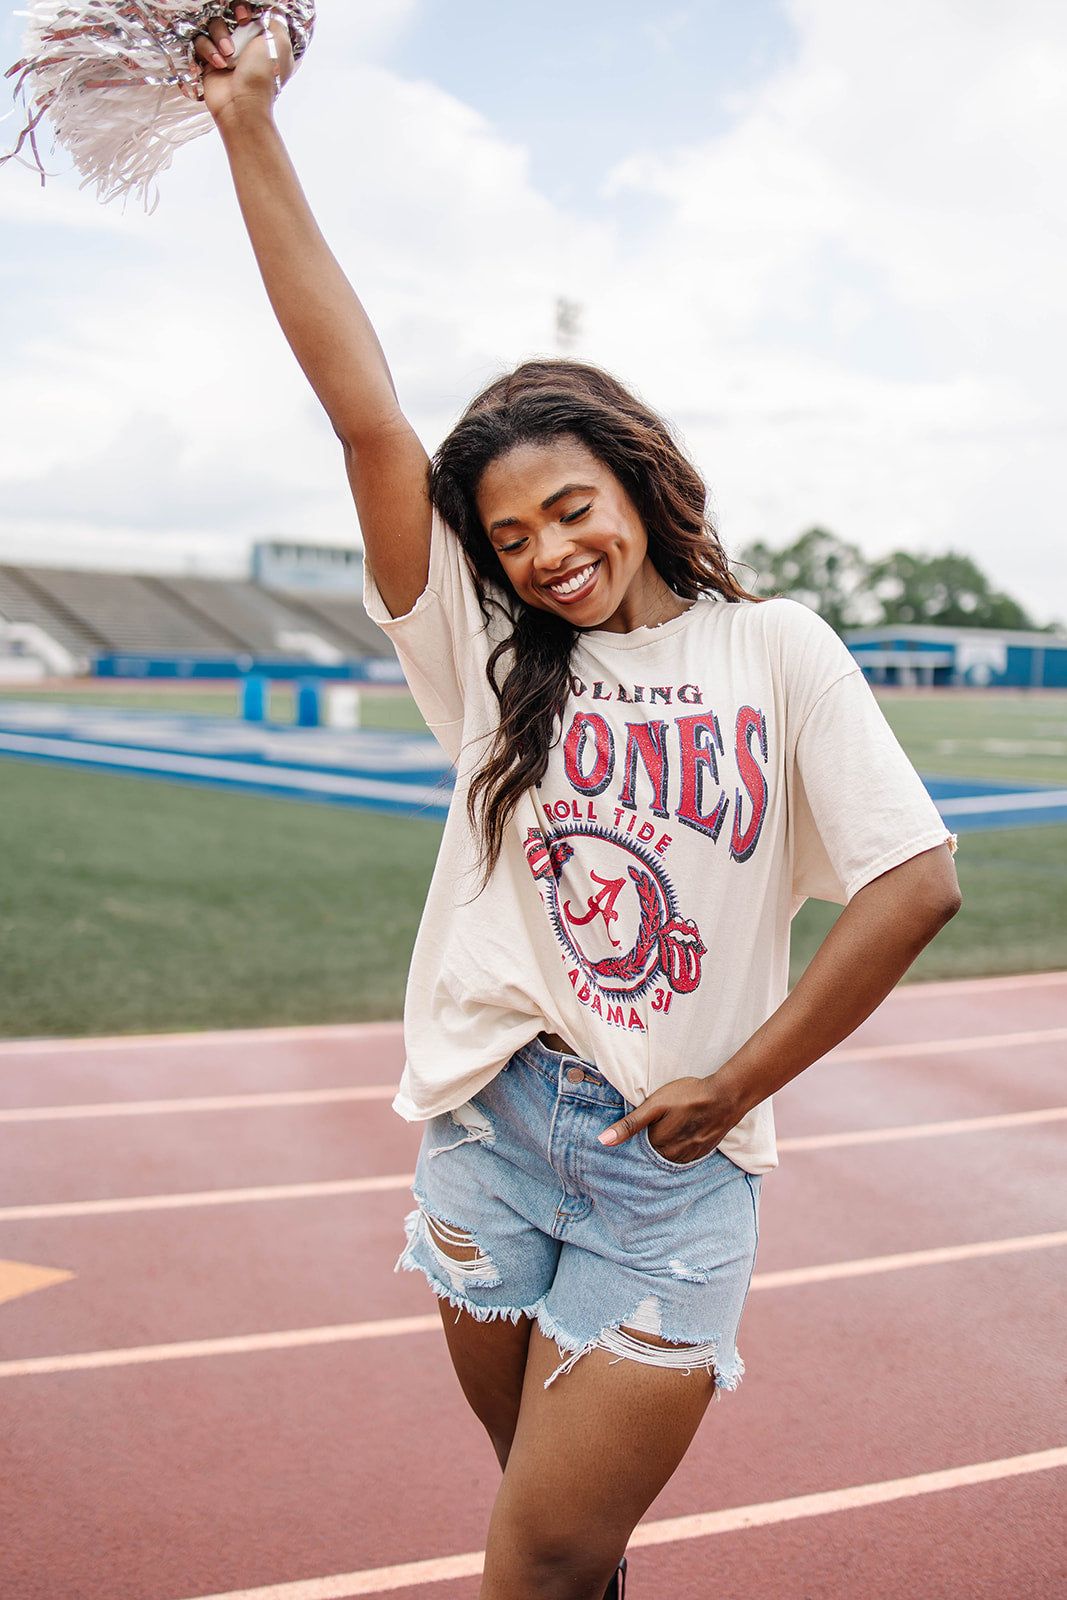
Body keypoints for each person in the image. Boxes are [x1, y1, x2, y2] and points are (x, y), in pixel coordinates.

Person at [198, 12, 962, 1598]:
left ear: (635, 482)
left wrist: (734, 1081)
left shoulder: (778, 648)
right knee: (562, 1541)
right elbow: (364, 415)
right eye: (513, 534)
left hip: (667, 1167)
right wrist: (247, 125)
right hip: (488, 1133)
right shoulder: (484, 655)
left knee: (534, 1557)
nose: (548, 552)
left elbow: (914, 882)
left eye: (570, 508)